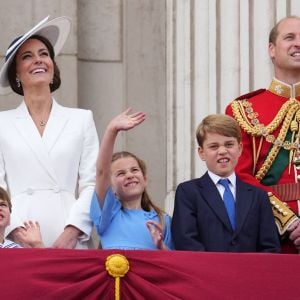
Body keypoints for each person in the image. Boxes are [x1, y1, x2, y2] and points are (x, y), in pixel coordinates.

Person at [0, 16, 99, 248]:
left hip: (69, 234)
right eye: (27, 56)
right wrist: (16, 231)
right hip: (18, 236)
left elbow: (92, 183)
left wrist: (73, 231)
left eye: (44, 54)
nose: (38, 60)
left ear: (53, 66)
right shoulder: (1, 122)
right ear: (16, 73)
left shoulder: (81, 119)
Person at [226, 16, 300, 253]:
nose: (298, 43)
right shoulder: (243, 110)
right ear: (271, 49)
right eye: (290, 37)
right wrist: (288, 221)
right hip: (268, 234)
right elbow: (239, 174)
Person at [171, 114, 280, 252]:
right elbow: (186, 241)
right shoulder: (188, 192)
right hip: (206, 271)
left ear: (239, 148)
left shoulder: (258, 196)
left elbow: (270, 246)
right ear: (201, 153)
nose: (222, 151)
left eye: (229, 144)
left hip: (250, 272)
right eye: (214, 146)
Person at [90, 109, 173, 250]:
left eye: (134, 170)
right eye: (120, 173)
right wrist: (112, 131)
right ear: (112, 188)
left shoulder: (162, 220)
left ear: (145, 179)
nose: (129, 175)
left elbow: (173, 262)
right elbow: (102, 172)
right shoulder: (108, 215)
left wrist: (160, 245)